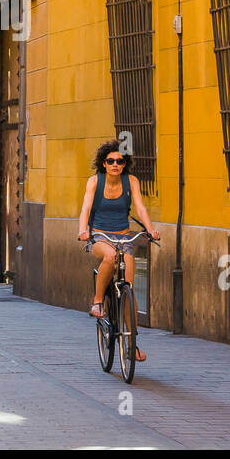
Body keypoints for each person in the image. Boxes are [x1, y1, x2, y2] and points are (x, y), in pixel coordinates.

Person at [76, 140, 160, 363]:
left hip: (124, 235)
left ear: (125, 164)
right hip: (100, 236)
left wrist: (150, 229)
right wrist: (83, 230)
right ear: (103, 163)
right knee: (110, 257)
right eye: (110, 161)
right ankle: (98, 301)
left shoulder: (131, 181)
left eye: (119, 161)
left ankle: (132, 345)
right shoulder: (95, 182)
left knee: (129, 291)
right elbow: (85, 207)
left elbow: (140, 207)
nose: (115, 164)